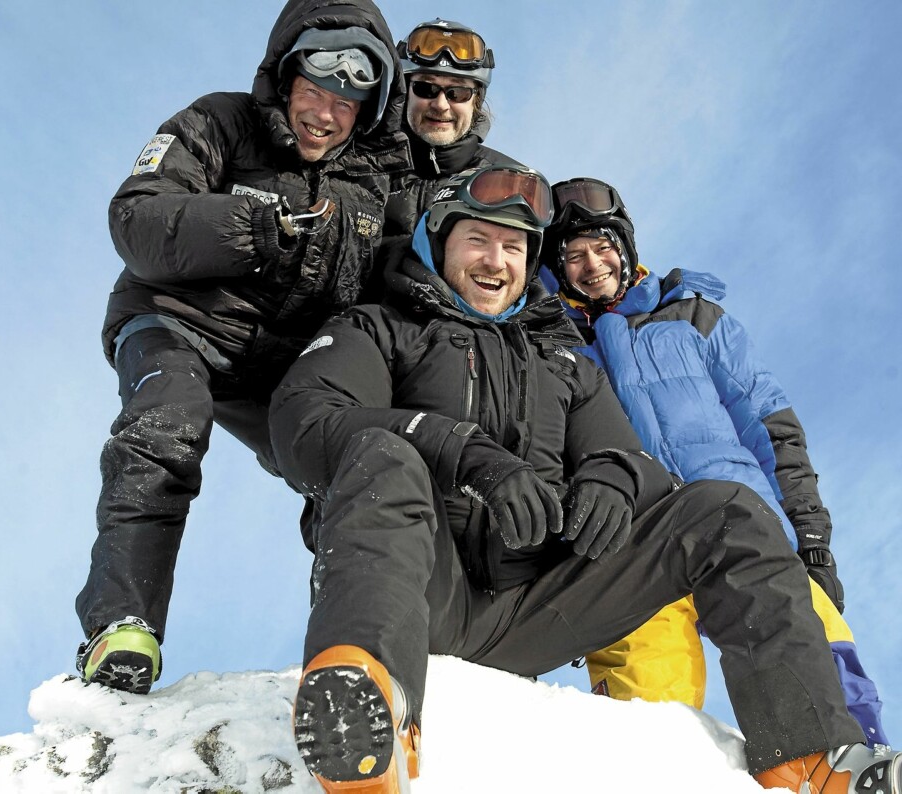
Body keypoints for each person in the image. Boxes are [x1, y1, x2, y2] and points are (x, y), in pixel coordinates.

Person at [268, 164, 901, 793]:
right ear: (437, 242)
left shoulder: (564, 362)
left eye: (514, 247)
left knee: (725, 511)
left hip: (539, 606)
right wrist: (461, 450)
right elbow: (304, 422)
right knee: (383, 453)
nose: (496, 261)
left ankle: (806, 759)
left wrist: (612, 482)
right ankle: (367, 719)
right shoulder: (376, 328)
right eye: (478, 240)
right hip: (422, 593)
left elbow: (628, 458)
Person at [73, 0, 412, 694]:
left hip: (280, 362)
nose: (325, 114)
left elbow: (403, 281)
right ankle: (122, 626)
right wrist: (251, 226)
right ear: (285, 79)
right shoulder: (218, 121)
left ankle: (360, 649)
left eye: (346, 103)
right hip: (177, 321)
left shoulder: (374, 183)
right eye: (314, 91)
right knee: (168, 422)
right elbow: (136, 217)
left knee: (356, 462)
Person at [538, 176, 890, 748]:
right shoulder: (551, 343)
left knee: (823, 678)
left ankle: (850, 770)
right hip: (635, 541)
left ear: (625, 247)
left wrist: (809, 534)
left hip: (744, 526)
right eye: (574, 256)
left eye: (602, 247)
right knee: (645, 708)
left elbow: (770, 427)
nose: (592, 265)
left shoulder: (693, 318)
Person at [383, 18, 518, 238]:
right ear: (404, 93)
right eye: (426, 88)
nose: (441, 105)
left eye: (458, 93)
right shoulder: (360, 166)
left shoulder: (508, 183)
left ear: (476, 102)